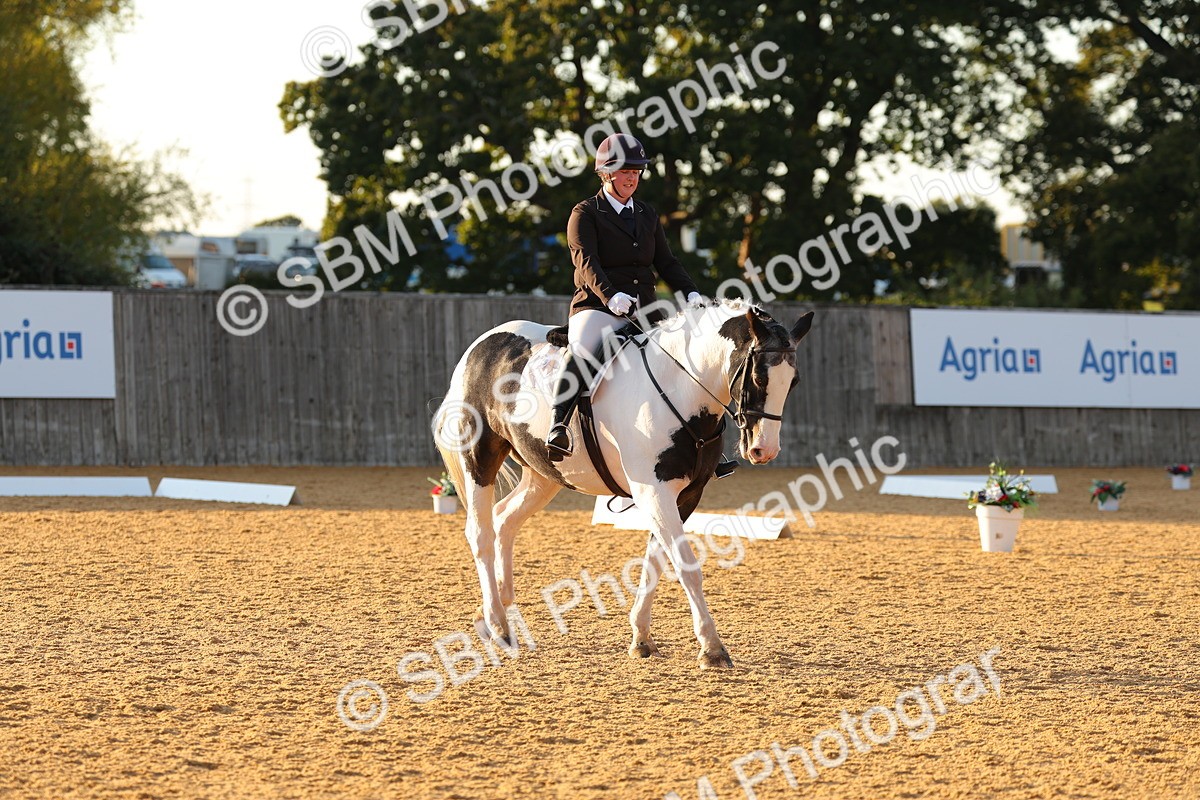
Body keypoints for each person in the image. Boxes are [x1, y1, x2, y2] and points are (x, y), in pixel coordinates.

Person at [546, 132, 704, 461]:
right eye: (625, 172)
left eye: (636, 172)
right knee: (585, 349)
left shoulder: (646, 214)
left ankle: (701, 447)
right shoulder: (585, 213)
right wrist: (609, 296)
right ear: (607, 174)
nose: (632, 178)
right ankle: (558, 425)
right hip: (597, 305)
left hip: (646, 309)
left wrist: (689, 292)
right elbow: (585, 261)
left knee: (686, 358)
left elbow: (666, 261)